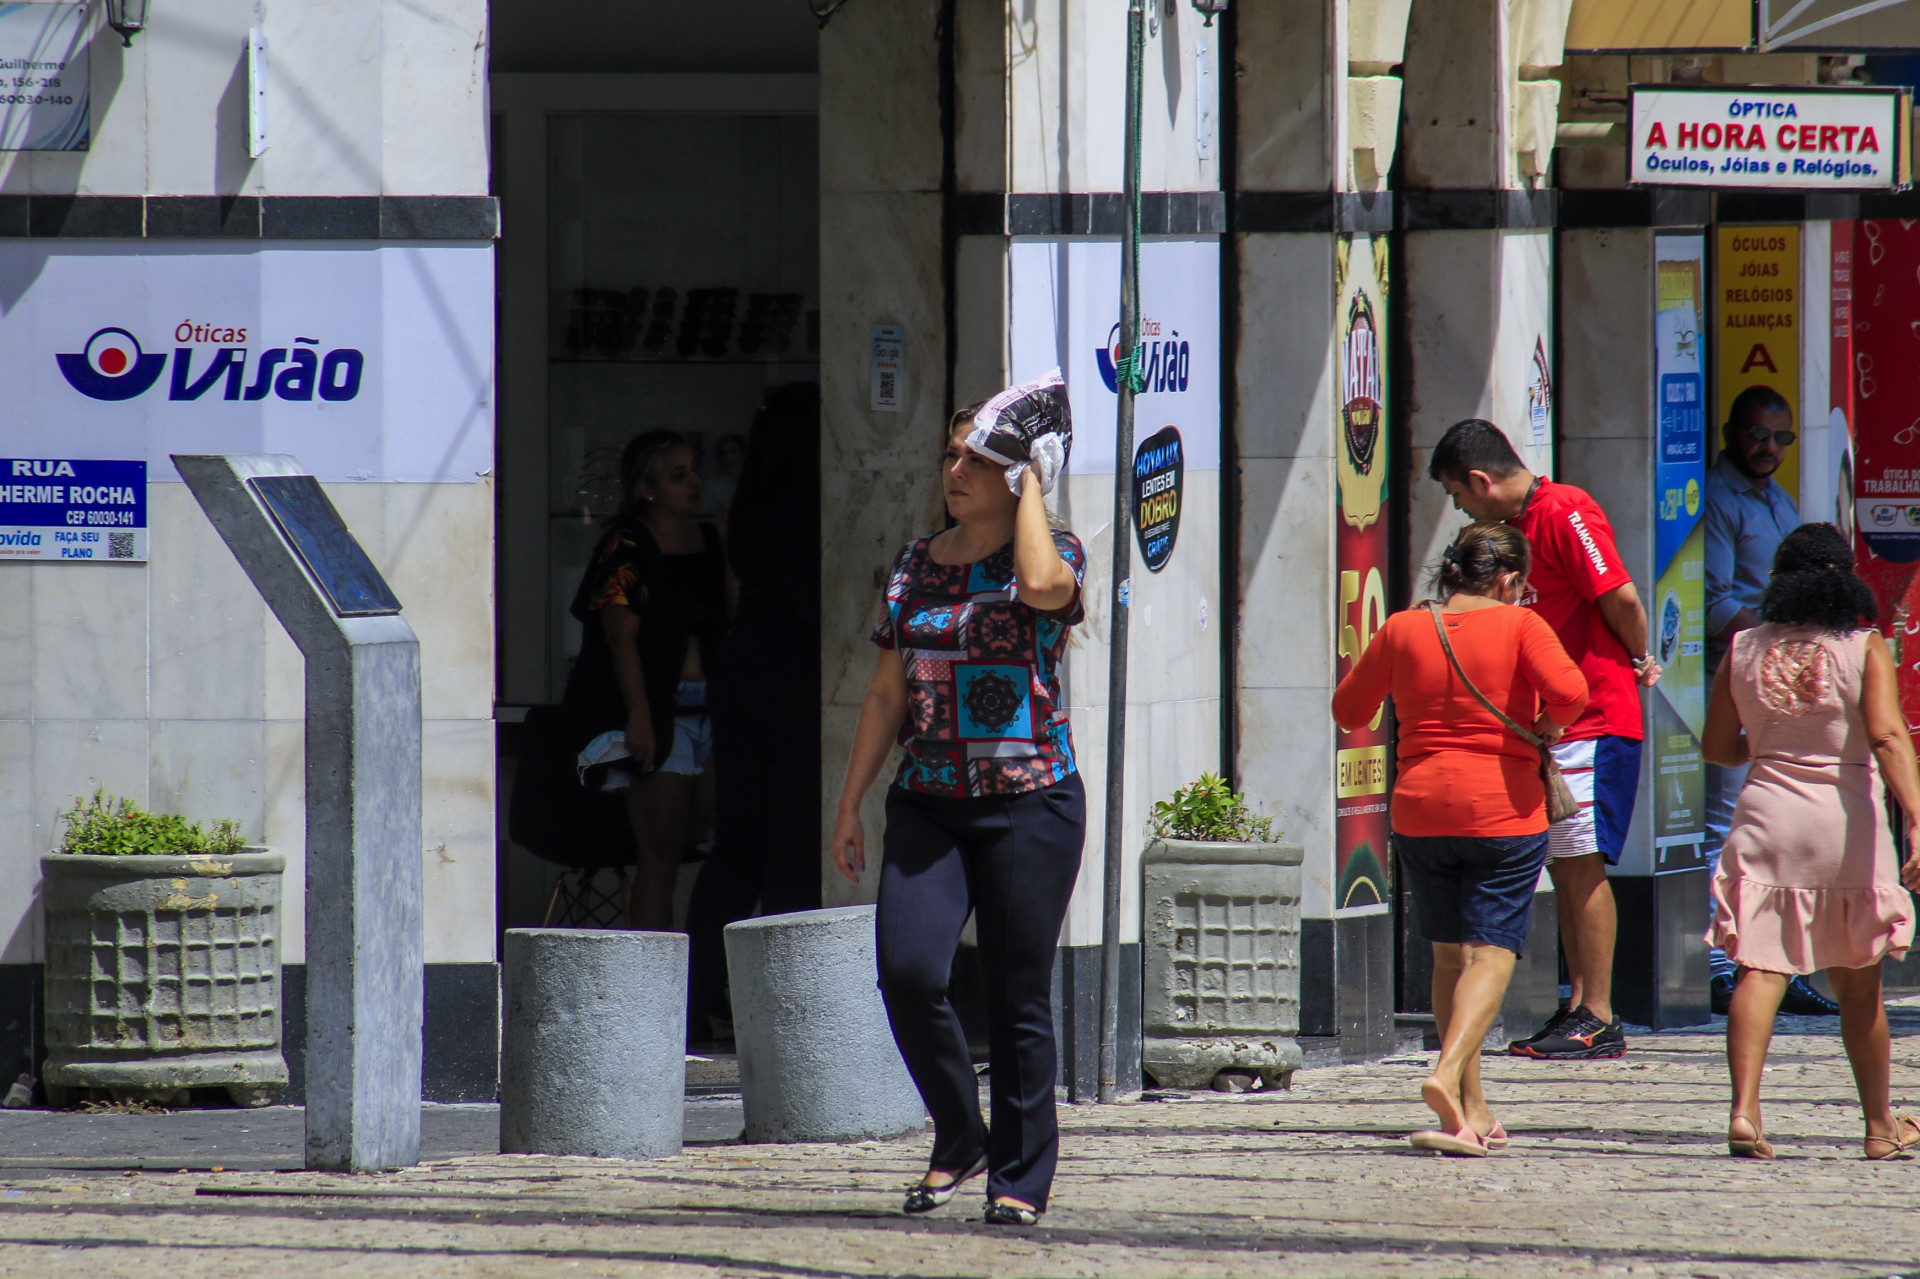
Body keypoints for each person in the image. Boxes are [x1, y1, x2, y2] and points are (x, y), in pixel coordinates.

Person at [829, 401, 1085, 1226]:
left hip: (1031, 801)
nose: (955, 471)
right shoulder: (913, 564)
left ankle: (1018, 1176)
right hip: (930, 801)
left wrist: (1034, 485)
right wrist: (850, 804)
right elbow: (884, 692)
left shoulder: (1048, 557)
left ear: (1015, 475)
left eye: (978, 460)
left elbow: (1046, 589)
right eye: (951, 455)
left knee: (1017, 997)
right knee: (908, 972)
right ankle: (958, 1134)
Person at [1334, 523, 1588, 1155]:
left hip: (1421, 810)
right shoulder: (1522, 626)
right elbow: (1571, 694)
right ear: (1508, 580)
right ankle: (1446, 1073)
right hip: (1502, 811)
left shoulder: (1402, 627)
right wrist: (1546, 728)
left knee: (1449, 957)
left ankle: (1469, 1113)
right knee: (1492, 954)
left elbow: (1348, 710)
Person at [1428, 419, 1659, 1061]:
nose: (1461, 510)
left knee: (1581, 864)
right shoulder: (1517, 531)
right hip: (1554, 724)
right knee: (1563, 863)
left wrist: (1642, 658)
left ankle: (1600, 1014)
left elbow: (1621, 598)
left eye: (1458, 495)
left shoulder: (1564, 510)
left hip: (1594, 716)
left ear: (1481, 480)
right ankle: (1579, 1002)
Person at [1704, 523, 1920, 1158]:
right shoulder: (1865, 647)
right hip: (1844, 822)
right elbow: (1885, 736)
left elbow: (1719, 747)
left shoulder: (1744, 646)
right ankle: (1880, 1127)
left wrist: (1770, 748)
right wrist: (1916, 816)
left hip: (1766, 816)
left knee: (1760, 967)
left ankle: (1745, 1113)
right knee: (1859, 984)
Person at [685, 385, 822, 1045]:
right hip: (789, 675)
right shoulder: (806, 507)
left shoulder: (750, 505)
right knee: (792, 845)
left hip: (740, 669)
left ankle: (696, 997)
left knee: (738, 846)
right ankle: (784, 1008)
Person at [560, 428, 730, 931]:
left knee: (739, 839)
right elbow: (619, 638)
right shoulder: (627, 544)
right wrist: (639, 717)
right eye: (679, 475)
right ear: (647, 488)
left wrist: (733, 548)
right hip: (662, 709)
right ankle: (654, 997)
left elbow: (729, 616)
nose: (694, 481)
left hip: (714, 707)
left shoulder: (707, 538)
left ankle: (707, 982)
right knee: (660, 857)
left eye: (694, 470)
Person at [1702, 387, 1836, 1016]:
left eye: (1780, 438)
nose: (1767, 448)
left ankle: (1781, 963)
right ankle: (1717, 967)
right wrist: (1782, 634)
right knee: (1725, 821)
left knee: (1781, 828)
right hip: (1739, 675)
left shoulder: (1778, 503)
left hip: (1784, 682)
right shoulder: (1718, 500)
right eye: (1757, 434)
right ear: (1731, 431)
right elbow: (1714, 604)